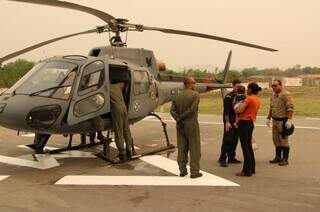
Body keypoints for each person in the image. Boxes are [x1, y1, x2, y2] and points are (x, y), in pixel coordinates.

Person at [170, 77, 202, 179]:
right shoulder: (195, 95)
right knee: (194, 148)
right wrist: (182, 117)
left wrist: (178, 118)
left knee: (182, 148)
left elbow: (172, 111)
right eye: (194, 83)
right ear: (191, 83)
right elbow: (192, 109)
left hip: (180, 125)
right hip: (191, 123)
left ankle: (182, 170)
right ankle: (194, 171)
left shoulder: (177, 96)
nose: (195, 85)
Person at [234, 82, 261, 177]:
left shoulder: (249, 99)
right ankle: (252, 168)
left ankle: (247, 170)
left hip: (244, 123)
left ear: (250, 89)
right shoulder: (257, 99)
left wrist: (237, 108)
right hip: (250, 123)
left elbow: (239, 110)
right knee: (249, 147)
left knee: (245, 148)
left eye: (248, 88)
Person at [266, 79, 294, 166]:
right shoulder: (273, 95)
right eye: (272, 86)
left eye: (275, 85)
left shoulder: (286, 94)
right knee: (276, 139)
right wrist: (268, 117)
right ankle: (278, 157)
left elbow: (290, 108)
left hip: (283, 121)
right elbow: (271, 107)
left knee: (284, 140)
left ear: (280, 85)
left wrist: (289, 120)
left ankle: (285, 159)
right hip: (275, 120)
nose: (273, 87)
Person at [218, 79, 242, 167]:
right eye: (236, 86)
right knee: (227, 140)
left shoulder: (241, 96)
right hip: (230, 121)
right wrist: (227, 122)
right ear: (233, 86)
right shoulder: (229, 97)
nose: (238, 88)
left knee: (235, 140)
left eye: (239, 86)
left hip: (237, 121)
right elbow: (226, 111)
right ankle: (223, 158)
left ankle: (232, 157)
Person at [110, 82, 133, 162]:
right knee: (126, 129)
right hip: (124, 108)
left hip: (117, 109)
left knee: (118, 130)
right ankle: (129, 150)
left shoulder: (106, 88)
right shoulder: (117, 85)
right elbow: (124, 84)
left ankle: (122, 153)